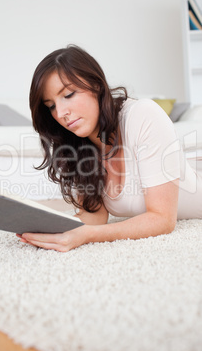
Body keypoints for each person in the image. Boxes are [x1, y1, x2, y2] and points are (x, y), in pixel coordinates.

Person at [16, 44, 202, 252]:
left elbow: (163, 219)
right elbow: (94, 215)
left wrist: (87, 236)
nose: (60, 113)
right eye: (51, 105)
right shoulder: (78, 146)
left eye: (68, 94)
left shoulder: (143, 116)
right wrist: (54, 228)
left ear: (96, 84)